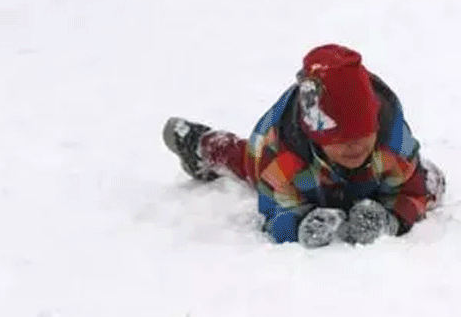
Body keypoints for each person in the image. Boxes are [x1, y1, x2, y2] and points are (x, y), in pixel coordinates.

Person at [162, 43, 445, 247]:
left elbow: (415, 192)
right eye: (340, 141)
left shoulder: (392, 146)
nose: (354, 147)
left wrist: (391, 220)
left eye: (363, 136)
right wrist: (298, 225)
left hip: (371, 177)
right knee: (246, 161)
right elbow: (273, 212)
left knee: (428, 181)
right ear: (317, 137)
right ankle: (201, 146)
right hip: (298, 172)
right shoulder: (282, 159)